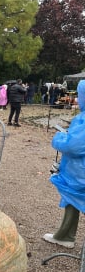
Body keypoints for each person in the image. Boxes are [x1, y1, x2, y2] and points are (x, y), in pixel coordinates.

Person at [42, 79, 85, 248]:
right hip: (77, 170)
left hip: (79, 171)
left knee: (73, 197)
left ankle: (65, 235)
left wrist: (59, 138)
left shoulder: (83, 120)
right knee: (71, 200)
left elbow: (73, 145)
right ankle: (65, 235)